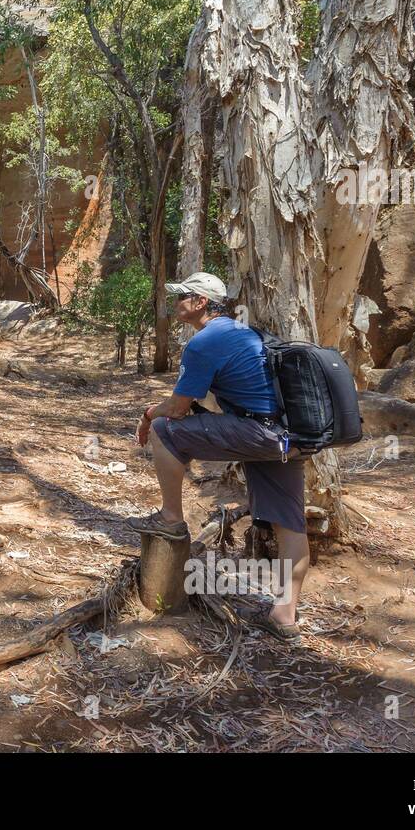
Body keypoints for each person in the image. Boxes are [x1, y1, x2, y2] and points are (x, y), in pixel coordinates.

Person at [133, 272, 307, 641]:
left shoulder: (204, 342)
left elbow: (177, 410)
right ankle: (284, 615)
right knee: (291, 524)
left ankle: (171, 518)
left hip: (256, 434)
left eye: (183, 296)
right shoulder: (248, 333)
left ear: (200, 303)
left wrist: (149, 414)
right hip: (287, 437)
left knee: (164, 431)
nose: (176, 301)